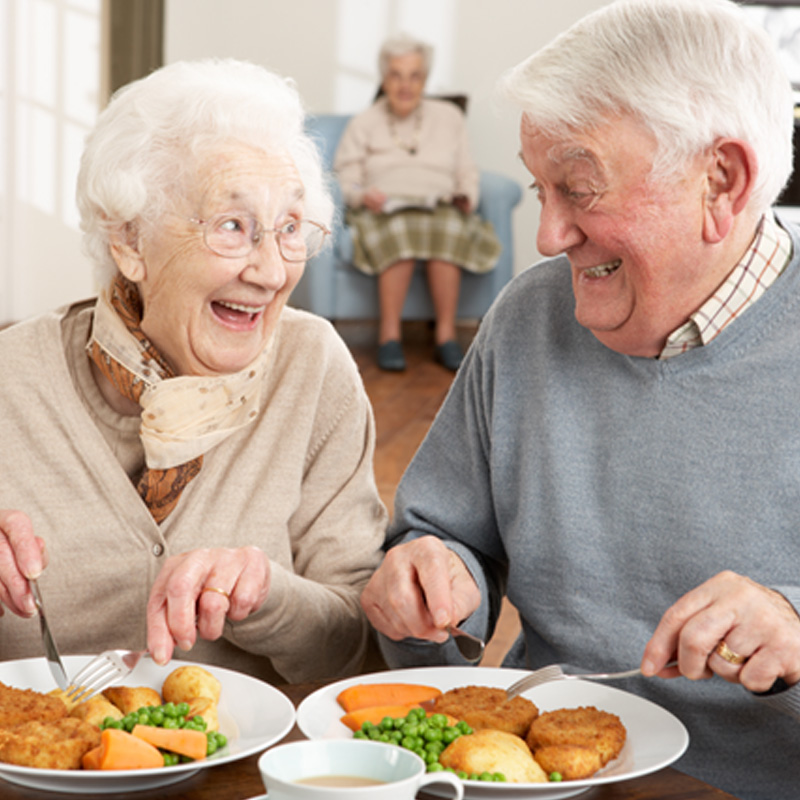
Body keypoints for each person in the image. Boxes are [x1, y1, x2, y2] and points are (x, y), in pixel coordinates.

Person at [359, 2, 800, 798]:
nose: (547, 234)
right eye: (540, 189)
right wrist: (426, 578)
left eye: (580, 189)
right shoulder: (527, 317)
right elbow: (442, 535)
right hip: (534, 780)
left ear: (721, 182)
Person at [0, 59, 388, 685]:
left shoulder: (312, 368)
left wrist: (268, 598)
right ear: (129, 240)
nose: (269, 271)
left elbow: (354, 651)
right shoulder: (10, 379)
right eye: (232, 226)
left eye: (290, 228)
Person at [334, 34, 501, 372]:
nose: (405, 85)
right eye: (396, 75)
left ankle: (446, 336)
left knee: (449, 228)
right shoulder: (363, 123)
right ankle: (389, 337)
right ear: (384, 79)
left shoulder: (449, 117)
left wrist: (466, 196)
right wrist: (363, 194)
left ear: (425, 79)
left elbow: (467, 169)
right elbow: (344, 176)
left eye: (414, 76)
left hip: (438, 204)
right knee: (400, 231)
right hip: (384, 209)